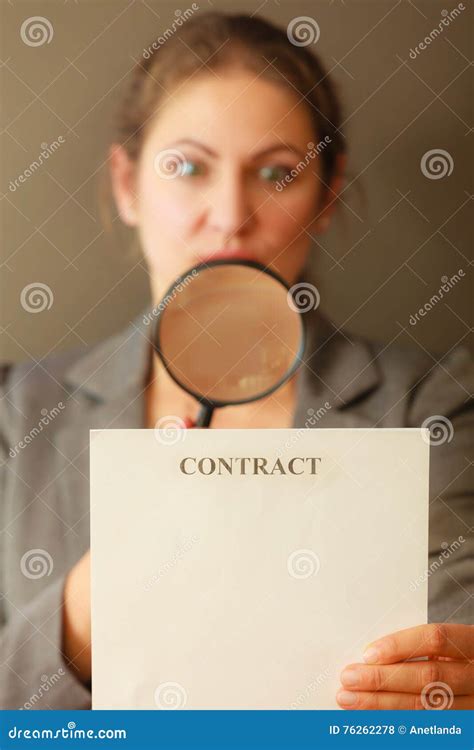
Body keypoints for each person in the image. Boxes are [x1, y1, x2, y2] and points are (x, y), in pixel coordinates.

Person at [1, 12, 472, 711]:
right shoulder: (18, 413)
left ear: (327, 196)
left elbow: (457, 625)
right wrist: (74, 622)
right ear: (127, 185)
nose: (230, 215)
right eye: (188, 167)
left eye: (278, 173)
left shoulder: (430, 403)